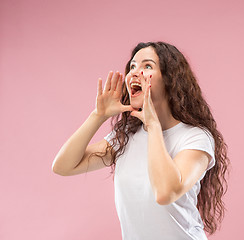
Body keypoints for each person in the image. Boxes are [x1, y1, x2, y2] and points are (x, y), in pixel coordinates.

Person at [52, 41, 230, 240]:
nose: (134, 73)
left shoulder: (196, 138)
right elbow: (63, 166)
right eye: (132, 66)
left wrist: (153, 126)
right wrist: (98, 115)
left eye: (147, 66)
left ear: (170, 80)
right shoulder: (125, 138)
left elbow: (165, 193)